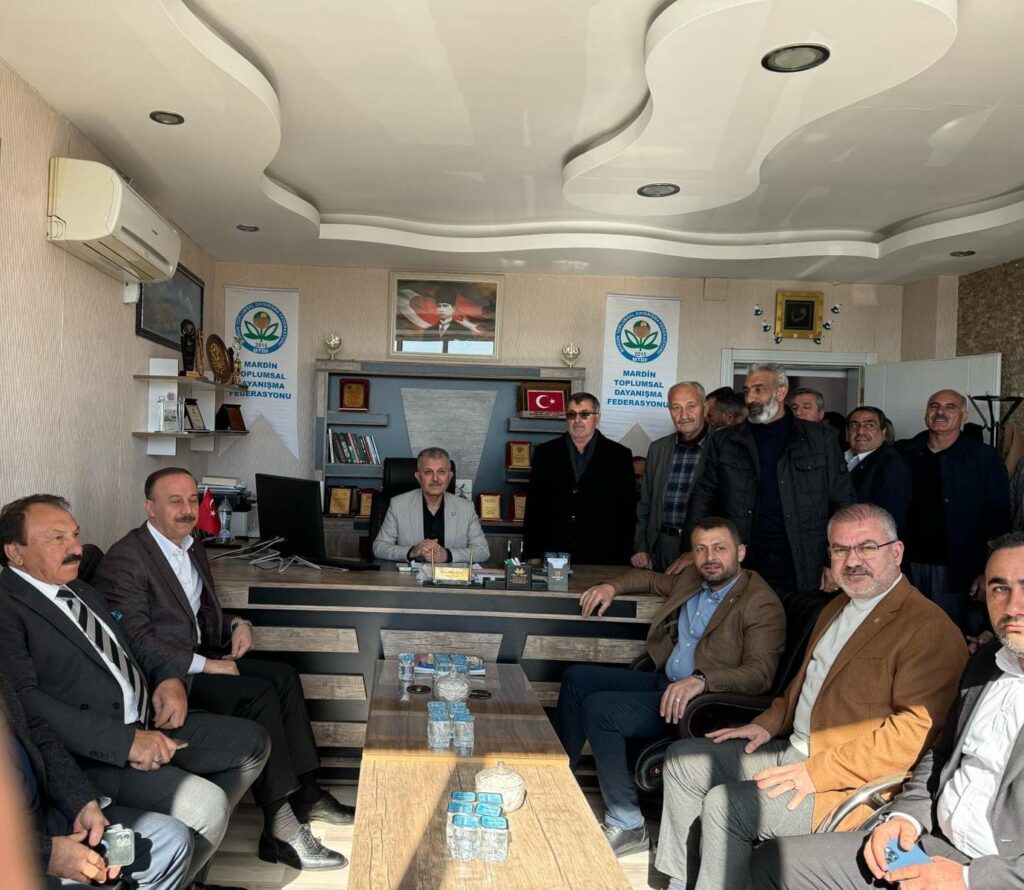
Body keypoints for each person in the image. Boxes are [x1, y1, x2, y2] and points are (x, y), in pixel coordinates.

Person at [654, 503, 967, 890]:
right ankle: (681, 881)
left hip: (844, 780)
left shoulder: (928, 628)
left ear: (897, 552)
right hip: (794, 749)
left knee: (727, 805)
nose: (852, 561)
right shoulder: (837, 606)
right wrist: (767, 724)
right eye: (840, 550)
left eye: (867, 548)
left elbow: (914, 737)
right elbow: (804, 683)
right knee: (683, 761)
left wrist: (817, 772)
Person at [0, 494, 271, 887]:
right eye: (57, 538)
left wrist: (167, 678)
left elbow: (132, 644)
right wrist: (125, 742)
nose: (75, 548)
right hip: (93, 753)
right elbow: (27, 705)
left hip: (149, 720)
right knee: (206, 806)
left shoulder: (79, 589)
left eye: (75, 535)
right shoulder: (7, 607)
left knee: (252, 744)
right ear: (15, 552)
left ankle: (184, 875)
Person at [93, 468, 350, 872]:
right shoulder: (127, 558)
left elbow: (197, 611)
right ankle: (280, 828)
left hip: (200, 656)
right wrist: (207, 665)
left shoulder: (191, 544)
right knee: (258, 695)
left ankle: (308, 793)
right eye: (175, 501)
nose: (187, 509)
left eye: (192, 500)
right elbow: (135, 639)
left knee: (284, 676)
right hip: (168, 677)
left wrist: (236, 624)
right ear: (150, 507)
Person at [750, 530, 1024, 890]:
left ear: (896, 553)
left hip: (995, 872)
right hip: (927, 842)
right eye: (1000, 588)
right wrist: (904, 818)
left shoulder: (925, 626)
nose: (1012, 606)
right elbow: (941, 756)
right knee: (775, 862)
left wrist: (968, 878)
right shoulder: (987, 663)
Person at [554, 517, 785, 857]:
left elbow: (760, 674)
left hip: (702, 704)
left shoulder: (760, 602)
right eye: (701, 549)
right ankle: (556, 783)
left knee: (601, 710)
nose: (710, 557)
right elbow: (650, 579)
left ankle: (627, 823)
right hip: (666, 682)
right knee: (577, 678)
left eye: (719, 548)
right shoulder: (694, 577)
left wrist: (703, 680)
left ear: (740, 553)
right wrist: (611, 587)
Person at [676, 363, 854, 606]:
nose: (750, 398)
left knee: (802, 626)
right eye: (747, 391)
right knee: (741, 625)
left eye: (759, 390)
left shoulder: (819, 439)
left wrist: (835, 561)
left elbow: (843, 502)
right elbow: (703, 496)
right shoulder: (725, 440)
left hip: (804, 563)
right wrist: (692, 549)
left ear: (780, 392)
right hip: (744, 561)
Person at [1, 670, 192, 889]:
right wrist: (47, 854)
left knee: (170, 841)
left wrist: (82, 803)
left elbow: (38, 734)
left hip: (45, 816)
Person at [896, 388, 1010, 632]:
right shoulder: (902, 453)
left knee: (952, 635)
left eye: (950, 407)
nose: (941, 412)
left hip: (960, 570)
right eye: (934, 406)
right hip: (907, 564)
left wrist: (990, 570)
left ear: (963, 417)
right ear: (926, 414)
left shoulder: (984, 458)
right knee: (908, 632)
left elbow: (998, 519)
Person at [523, 392, 635, 565]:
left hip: (604, 555)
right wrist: (533, 553)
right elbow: (534, 508)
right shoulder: (545, 453)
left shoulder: (619, 455)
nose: (577, 420)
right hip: (554, 552)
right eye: (571, 414)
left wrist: (625, 555)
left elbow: (627, 511)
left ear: (597, 418)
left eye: (584, 414)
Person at [633, 383, 711, 571]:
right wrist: (640, 546)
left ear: (705, 408)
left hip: (703, 549)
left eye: (691, 406)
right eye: (676, 408)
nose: (683, 415)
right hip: (660, 546)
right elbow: (645, 503)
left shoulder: (722, 445)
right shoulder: (658, 448)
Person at [372, 448, 490, 563]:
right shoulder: (398, 505)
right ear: (418, 477)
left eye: (441, 472)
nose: (435, 479)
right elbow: (379, 547)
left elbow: (483, 551)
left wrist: (447, 555)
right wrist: (412, 551)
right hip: (411, 575)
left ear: (450, 476)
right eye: (428, 472)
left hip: (450, 575)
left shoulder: (466, 508)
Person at [845, 405, 912, 537]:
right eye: (854, 426)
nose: (860, 431)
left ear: (884, 431)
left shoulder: (891, 465)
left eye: (869, 426)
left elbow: (889, 518)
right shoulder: (842, 458)